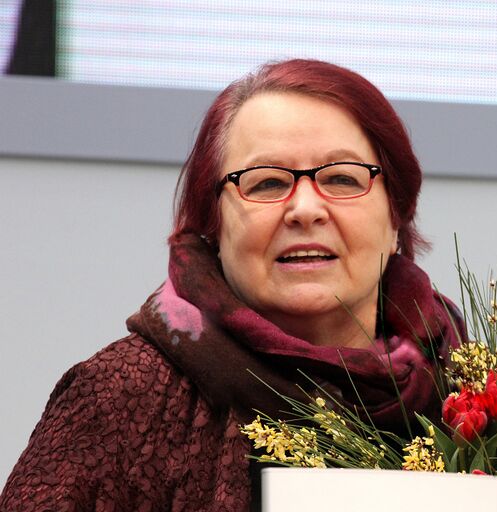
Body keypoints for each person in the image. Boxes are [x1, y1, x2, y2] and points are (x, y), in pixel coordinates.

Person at [0, 59, 463, 511]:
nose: (305, 209)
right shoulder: (118, 398)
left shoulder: (469, 391)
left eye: (342, 178)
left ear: (396, 212)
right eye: (265, 184)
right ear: (213, 223)